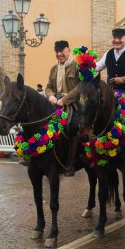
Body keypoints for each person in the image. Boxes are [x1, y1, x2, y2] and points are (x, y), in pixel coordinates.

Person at [45, 40, 79, 176]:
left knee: (73, 126)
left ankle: (71, 163)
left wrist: (64, 100)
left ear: (68, 50)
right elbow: (48, 87)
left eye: (62, 51)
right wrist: (50, 96)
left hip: (72, 103)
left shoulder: (76, 66)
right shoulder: (53, 68)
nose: (59, 54)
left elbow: (80, 87)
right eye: (57, 52)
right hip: (54, 102)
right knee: (43, 124)